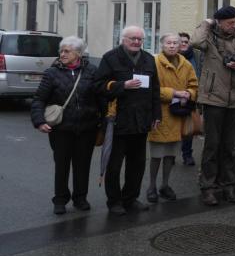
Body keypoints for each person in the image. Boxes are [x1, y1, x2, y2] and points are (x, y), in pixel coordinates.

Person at [192, 5, 235, 206]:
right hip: (213, 97)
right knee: (212, 145)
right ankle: (208, 187)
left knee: (231, 146)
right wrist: (206, 23)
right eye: (230, 22)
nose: (234, 25)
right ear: (219, 21)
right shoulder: (209, 37)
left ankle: (229, 184)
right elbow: (195, 41)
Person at [31, 36, 104, 215]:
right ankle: (60, 199)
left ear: (78, 53)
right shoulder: (52, 73)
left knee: (83, 165)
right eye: (61, 51)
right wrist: (39, 121)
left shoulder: (92, 72)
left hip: (87, 128)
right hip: (61, 129)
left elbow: (100, 98)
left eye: (67, 51)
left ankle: (80, 198)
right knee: (62, 165)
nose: (62, 54)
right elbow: (39, 99)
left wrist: (103, 121)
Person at [97, 25, 161, 215]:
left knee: (137, 164)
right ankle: (114, 201)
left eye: (140, 39)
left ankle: (131, 198)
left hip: (141, 120)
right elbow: (98, 86)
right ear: (122, 39)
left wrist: (156, 114)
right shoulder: (110, 58)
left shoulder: (149, 59)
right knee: (114, 165)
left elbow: (155, 90)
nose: (136, 42)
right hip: (118, 121)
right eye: (132, 38)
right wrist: (122, 85)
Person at [146, 33, 198, 203]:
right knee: (156, 154)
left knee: (171, 154)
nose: (172, 45)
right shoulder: (153, 63)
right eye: (168, 43)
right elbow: (150, 90)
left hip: (177, 115)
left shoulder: (186, 64)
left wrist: (188, 94)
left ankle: (165, 185)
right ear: (162, 44)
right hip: (159, 114)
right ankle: (152, 186)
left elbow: (194, 85)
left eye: (175, 43)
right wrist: (174, 93)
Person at [178, 32, 202, 166]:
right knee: (174, 128)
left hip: (191, 97)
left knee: (188, 129)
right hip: (174, 97)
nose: (183, 44)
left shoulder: (196, 57)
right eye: (180, 41)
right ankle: (171, 154)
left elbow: (200, 74)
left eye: (185, 42)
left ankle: (187, 155)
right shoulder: (171, 57)